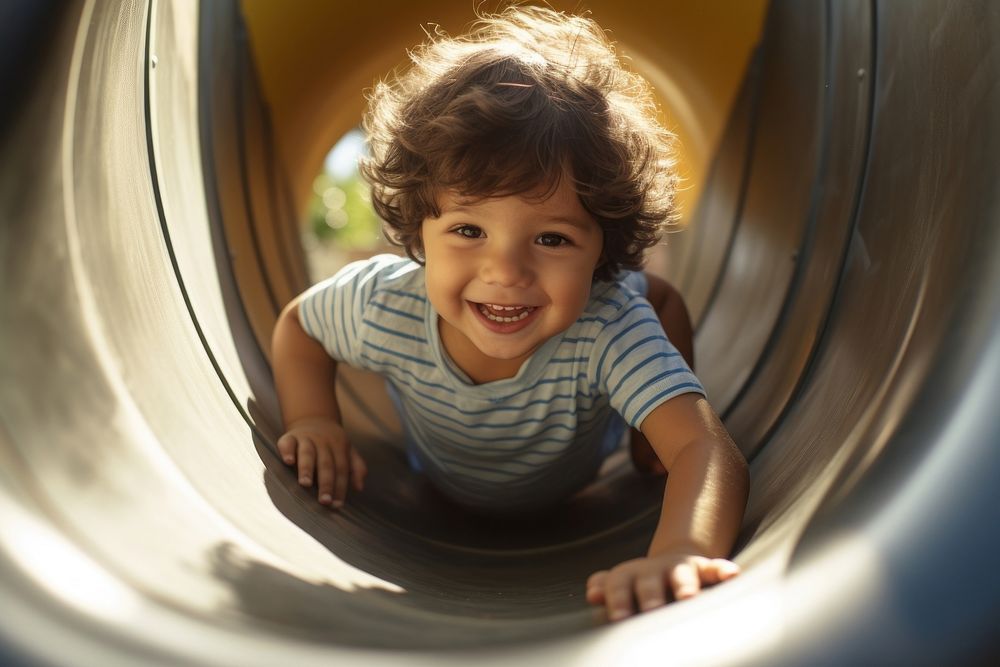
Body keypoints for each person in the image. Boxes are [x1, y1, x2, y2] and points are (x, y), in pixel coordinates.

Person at [271, 5, 748, 622]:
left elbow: (710, 452)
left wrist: (682, 549)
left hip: (576, 473)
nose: (506, 271)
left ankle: (645, 327)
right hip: (437, 478)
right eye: (469, 229)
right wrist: (315, 420)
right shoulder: (385, 302)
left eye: (551, 239)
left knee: (646, 301)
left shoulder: (606, 327)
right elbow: (300, 326)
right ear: (420, 227)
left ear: (604, 241)